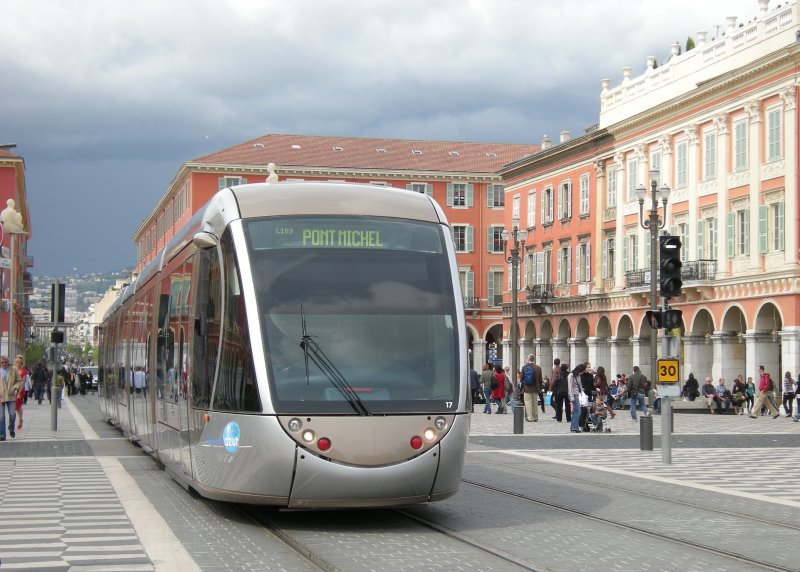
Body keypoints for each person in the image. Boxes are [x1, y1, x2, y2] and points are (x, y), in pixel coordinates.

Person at [0, 355, 23, 440]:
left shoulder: (13, 370)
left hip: (11, 395)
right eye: (2, 362)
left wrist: (15, 387)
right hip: (1, 396)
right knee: (1, 416)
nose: (4, 364)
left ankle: (11, 428)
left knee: (13, 414)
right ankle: (2, 434)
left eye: (5, 362)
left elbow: (19, 381)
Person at [520, 354, 543, 422]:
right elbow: (540, 380)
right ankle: (535, 416)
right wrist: (540, 388)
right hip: (536, 388)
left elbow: (521, 378)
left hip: (527, 388)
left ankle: (530, 417)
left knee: (528, 403)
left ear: (528, 359)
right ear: (534, 359)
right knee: (535, 403)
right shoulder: (538, 368)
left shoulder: (524, 367)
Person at [568, 363, 586, 433]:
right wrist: (571, 396)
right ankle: (574, 427)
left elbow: (580, 385)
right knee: (578, 411)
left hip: (578, 394)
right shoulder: (571, 375)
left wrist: (584, 391)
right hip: (573, 395)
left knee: (576, 411)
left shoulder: (578, 375)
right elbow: (570, 386)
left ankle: (574, 427)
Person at [13, 355, 28, 430]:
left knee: (17, 405)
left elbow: (23, 382)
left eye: (20, 363)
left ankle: (20, 420)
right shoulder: (13, 370)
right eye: (16, 363)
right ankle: (19, 419)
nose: (18, 364)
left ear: (22, 363)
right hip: (13, 390)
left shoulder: (24, 371)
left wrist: (19, 392)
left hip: (20, 390)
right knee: (15, 406)